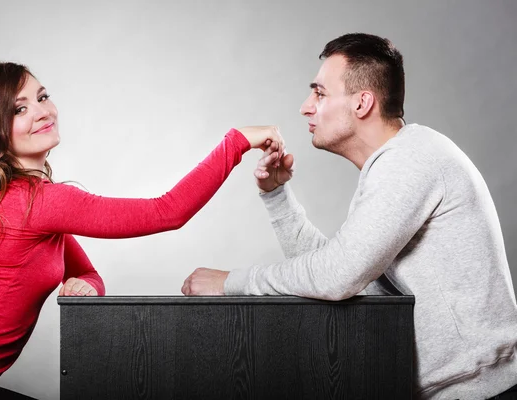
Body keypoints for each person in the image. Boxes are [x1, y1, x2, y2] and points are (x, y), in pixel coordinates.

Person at [0, 62, 285, 399]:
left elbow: (87, 273)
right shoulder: (37, 203)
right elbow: (168, 212)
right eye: (20, 108)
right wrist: (236, 140)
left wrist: (88, 285)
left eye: (42, 97)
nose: (43, 111)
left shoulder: (28, 203)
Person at [181, 33, 517, 400]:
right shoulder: (393, 163)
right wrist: (276, 196)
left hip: (482, 392)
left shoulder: (410, 161)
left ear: (362, 103)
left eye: (320, 94)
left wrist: (230, 282)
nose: (306, 107)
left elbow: (337, 276)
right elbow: (347, 277)